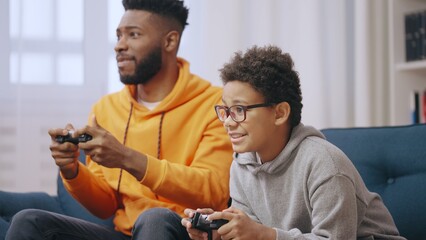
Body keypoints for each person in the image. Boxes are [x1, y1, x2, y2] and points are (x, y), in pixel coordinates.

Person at [5, 0, 233, 239]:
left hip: (184, 231)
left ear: (170, 41)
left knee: (154, 217)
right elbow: (105, 206)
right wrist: (72, 170)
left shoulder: (214, 103)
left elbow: (212, 191)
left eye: (133, 35)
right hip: (125, 233)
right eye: (118, 36)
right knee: (28, 220)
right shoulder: (107, 109)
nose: (119, 46)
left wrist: (126, 157)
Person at [182, 45, 406, 240]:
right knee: (161, 219)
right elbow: (251, 232)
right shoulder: (242, 166)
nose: (228, 122)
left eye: (239, 110)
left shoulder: (325, 164)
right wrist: (221, 233)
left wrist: (266, 235)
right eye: (225, 110)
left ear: (279, 113)